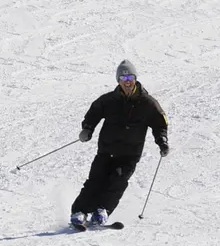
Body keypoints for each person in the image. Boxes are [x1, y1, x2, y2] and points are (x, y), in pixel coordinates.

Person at [70, 60, 169, 229]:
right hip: (107, 149)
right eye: (123, 77)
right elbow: (93, 113)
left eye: (130, 76)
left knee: (118, 182)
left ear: (135, 79)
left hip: (129, 154)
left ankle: (102, 210)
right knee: (95, 180)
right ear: (118, 80)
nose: (127, 80)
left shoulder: (148, 103)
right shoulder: (108, 100)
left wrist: (162, 141)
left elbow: (160, 124)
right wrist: (87, 129)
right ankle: (80, 212)